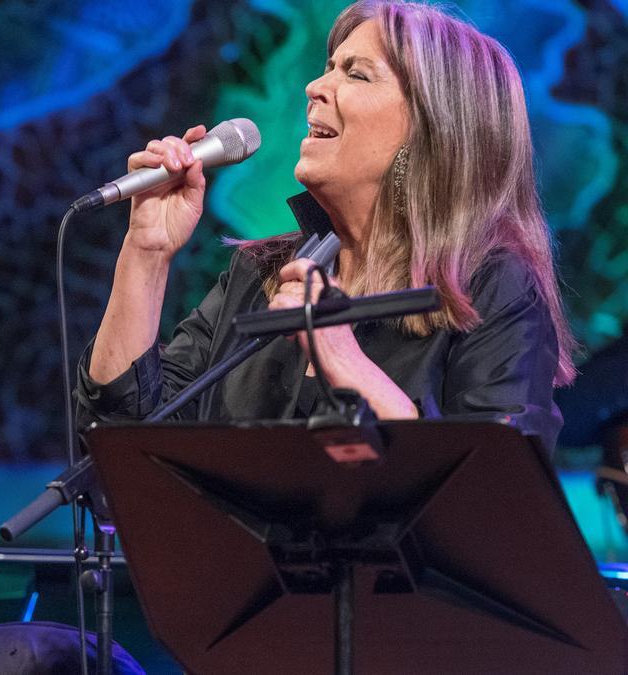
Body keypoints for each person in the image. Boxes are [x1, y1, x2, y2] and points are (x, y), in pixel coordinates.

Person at [76, 0, 573, 451]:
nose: (316, 87)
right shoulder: (261, 274)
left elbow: (496, 500)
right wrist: (146, 251)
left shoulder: (489, 287)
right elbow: (122, 445)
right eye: (328, 67)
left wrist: (339, 351)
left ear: (433, 128)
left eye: (356, 75)